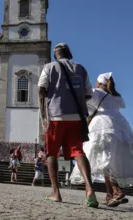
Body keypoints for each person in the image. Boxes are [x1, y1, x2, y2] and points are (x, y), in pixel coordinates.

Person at [38, 43, 98, 207]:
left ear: (56, 54)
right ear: (69, 54)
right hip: (77, 117)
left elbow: (41, 89)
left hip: (56, 116)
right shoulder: (81, 68)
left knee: (51, 153)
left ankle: (56, 192)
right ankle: (89, 189)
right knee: (78, 152)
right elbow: (87, 94)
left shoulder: (49, 67)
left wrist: (47, 104)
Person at [70, 73, 133, 207]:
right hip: (121, 129)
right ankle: (110, 196)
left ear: (99, 83)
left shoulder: (96, 92)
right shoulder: (116, 96)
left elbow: (84, 104)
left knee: (105, 162)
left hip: (102, 127)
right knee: (109, 162)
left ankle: (116, 191)